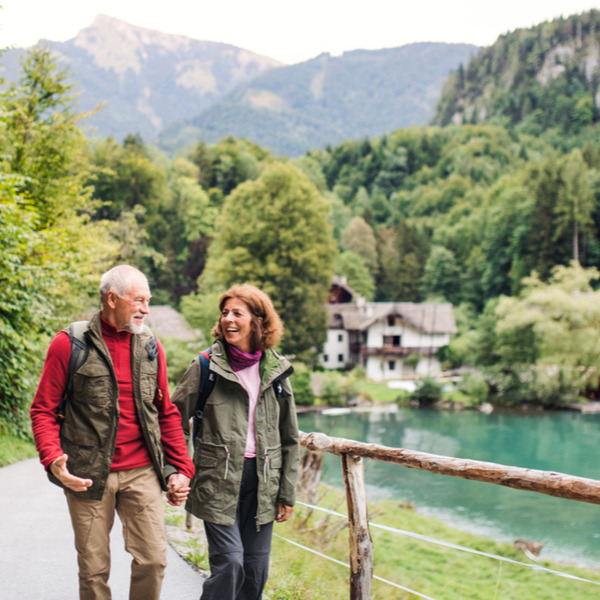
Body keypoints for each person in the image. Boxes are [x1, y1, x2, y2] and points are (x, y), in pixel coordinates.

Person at [30, 265, 195, 600]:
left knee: (153, 560)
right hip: (87, 474)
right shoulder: (68, 344)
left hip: (142, 471)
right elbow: (43, 410)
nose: (146, 309)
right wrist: (53, 459)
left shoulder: (151, 346)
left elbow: (165, 412)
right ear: (112, 298)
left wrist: (181, 468)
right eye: (139, 301)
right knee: (93, 570)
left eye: (148, 301)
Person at [172, 284, 300, 600]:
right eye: (225, 312)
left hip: (263, 485)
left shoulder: (276, 370)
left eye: (237, 313)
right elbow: (173, 419)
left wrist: (286, 491)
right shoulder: (206, 366)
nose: (229, 319)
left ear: (258, 321)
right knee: (230, 564)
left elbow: (290, 437)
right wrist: (180, 468)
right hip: (217, 481)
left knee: (254, 575)